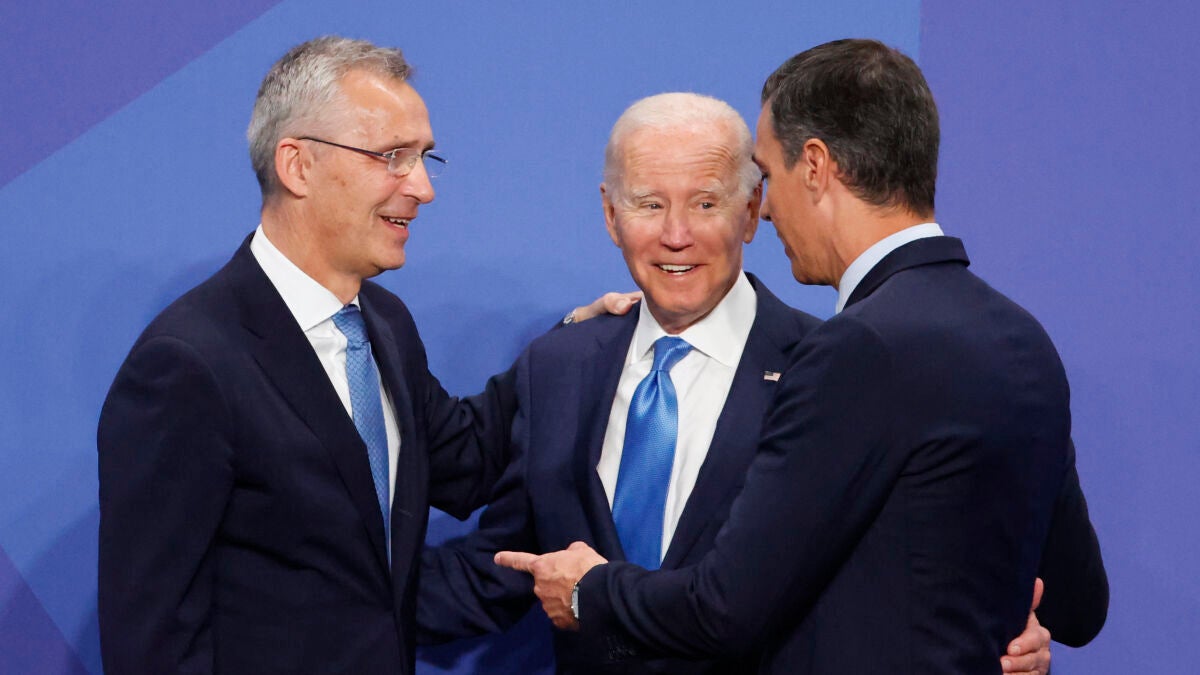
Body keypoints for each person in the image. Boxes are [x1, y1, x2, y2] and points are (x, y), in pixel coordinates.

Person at [496, 40, 1108, 673]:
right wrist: (1001, 631)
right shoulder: (1022, 338)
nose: (766, 208)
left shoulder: (858, 349)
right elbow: (1078, 603)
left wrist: (589, 589)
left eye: (768, 172)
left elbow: (726, 608)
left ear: (814, 166)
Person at [97, 36, 518, 674]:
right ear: (297, 166)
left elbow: (467, 461)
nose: (423, 187)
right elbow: (154, 643)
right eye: (393, 156)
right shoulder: (188, 364)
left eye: (424, 158)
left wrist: (582, 344)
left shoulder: (386, 324)